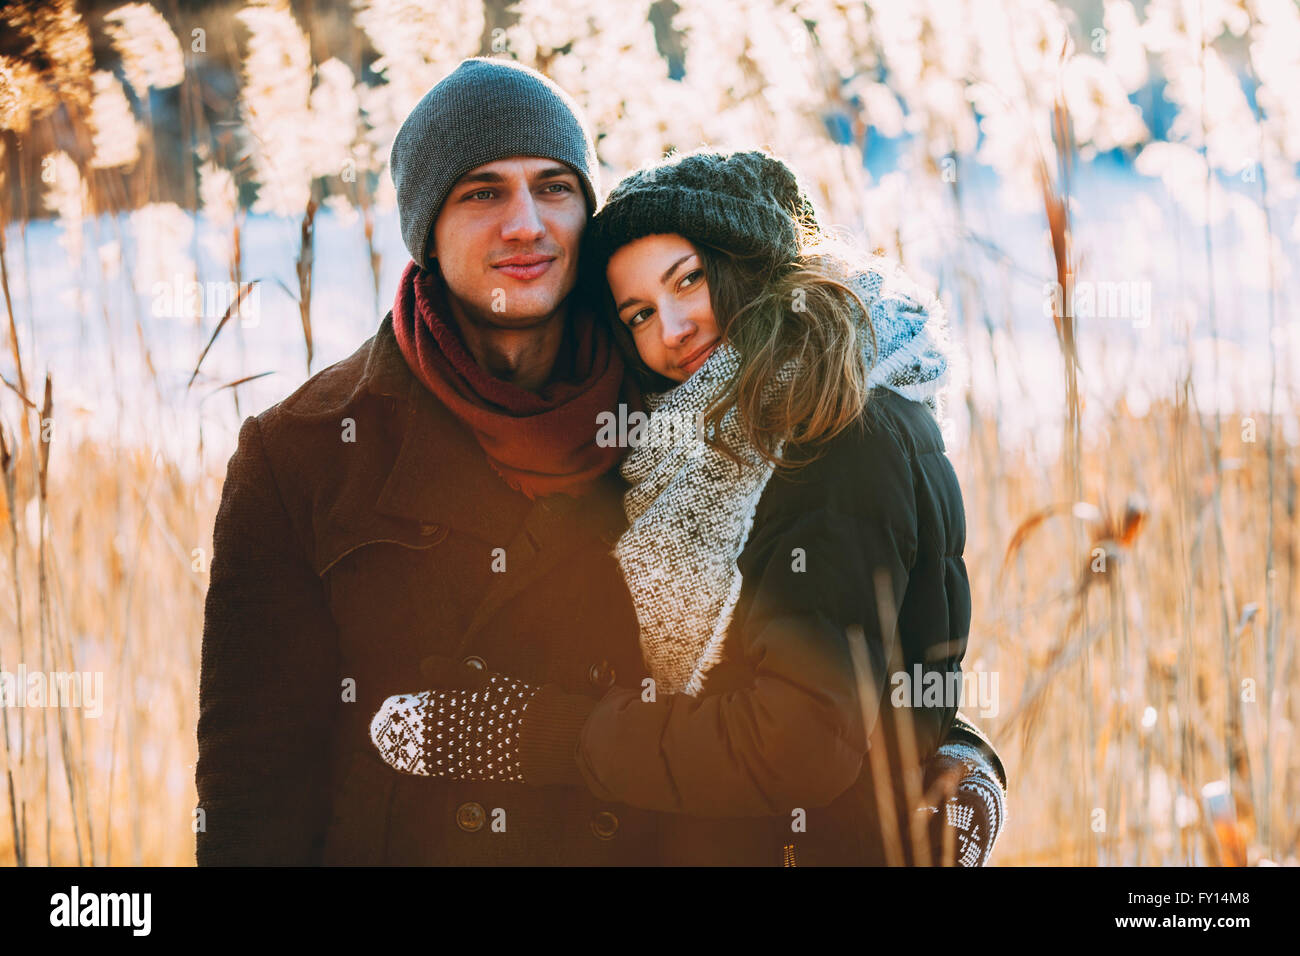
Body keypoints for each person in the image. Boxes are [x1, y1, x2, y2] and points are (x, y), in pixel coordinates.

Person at [368, 146, 1009, 866]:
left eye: (690, 281)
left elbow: (794, 746)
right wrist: (960, 761)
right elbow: (870, 681)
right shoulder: (731, 431)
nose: (671, 331)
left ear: (754, 266)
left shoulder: (830, 434)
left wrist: (538, 736)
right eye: (639, 314)